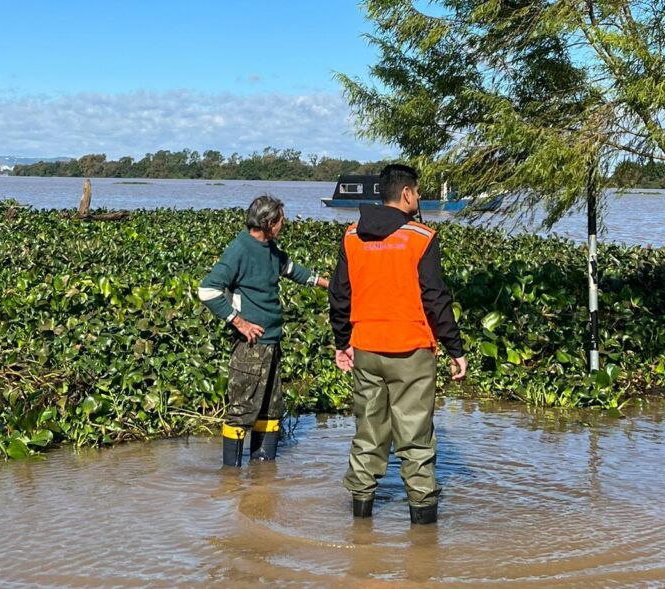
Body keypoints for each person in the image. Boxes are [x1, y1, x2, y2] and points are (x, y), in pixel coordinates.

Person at [328, 164, 467, 525]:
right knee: (415, 440)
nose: (419, 199)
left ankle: (361, 525)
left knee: (368, 434)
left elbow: (340, 294)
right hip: (411, 350)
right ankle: (423, 542)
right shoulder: (422, 237)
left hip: (367, 348)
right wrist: (456, 348)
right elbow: (435, 297)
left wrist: (342, 342)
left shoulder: (351, 236)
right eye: (418, 193)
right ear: (407, 194)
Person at [198, 195, 329, 467]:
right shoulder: (240, 249)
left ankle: (263, 474)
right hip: (251, 345)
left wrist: (325, 282)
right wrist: (238, 321)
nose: (284, 225)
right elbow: (207, 290)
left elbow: (290, 268)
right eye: (281, 221)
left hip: (272, 341)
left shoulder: (269, 247)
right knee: (241, 411)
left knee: (271, 409)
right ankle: (231, 477)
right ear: (269, 223)